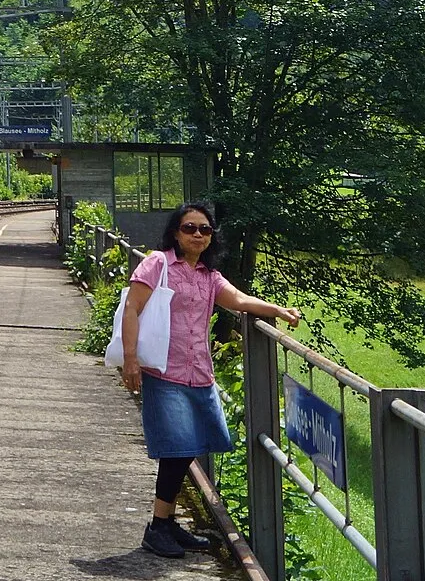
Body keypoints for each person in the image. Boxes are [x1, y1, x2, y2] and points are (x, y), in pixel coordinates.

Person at [119, 200, 301, 559]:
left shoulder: (208, 275)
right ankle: (157, 526)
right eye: (190, 228)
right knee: (177, 448)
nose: (198, 234)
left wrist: (278, 310)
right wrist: (130, 359)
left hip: (198, 373)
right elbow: (132, 308)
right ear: (175, 232)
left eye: (205, 229)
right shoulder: (158, 264)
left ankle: (167, 523)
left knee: (190, 447)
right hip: (164, 370)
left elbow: (240, 300)